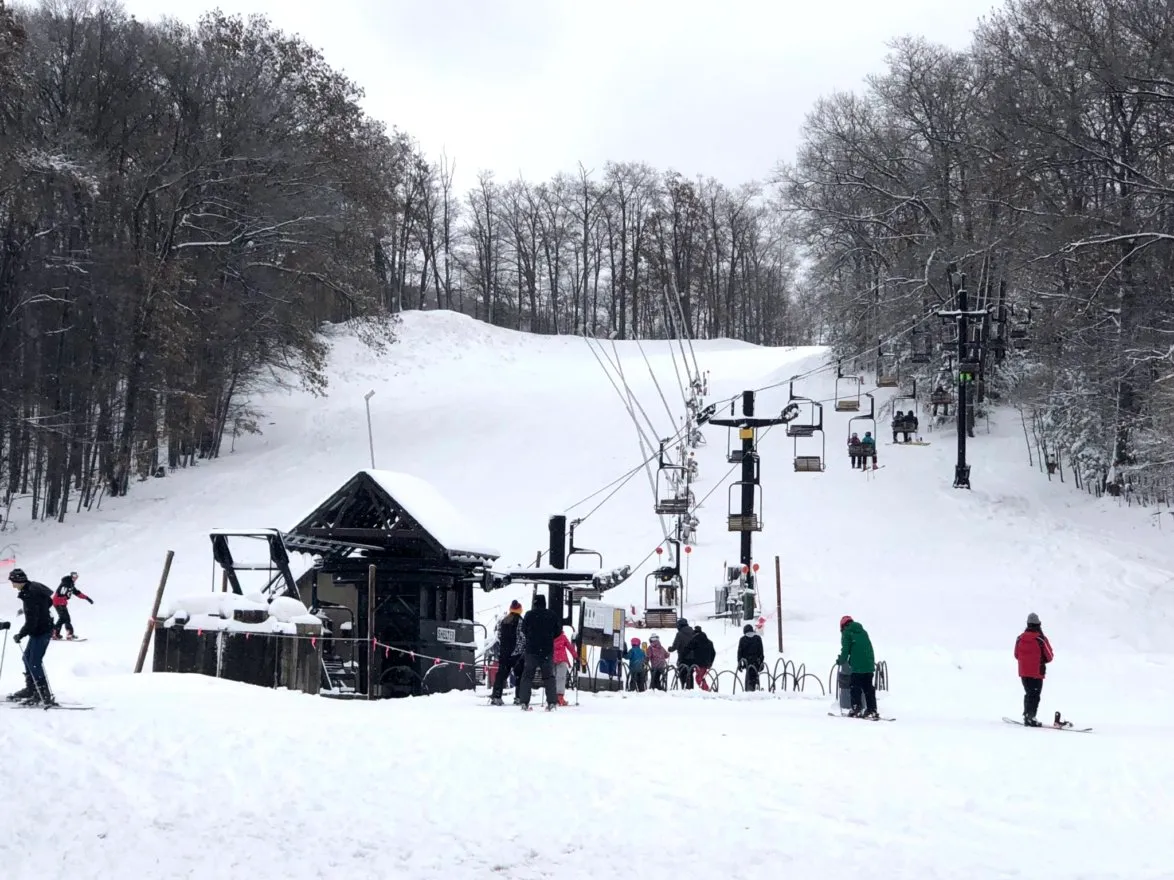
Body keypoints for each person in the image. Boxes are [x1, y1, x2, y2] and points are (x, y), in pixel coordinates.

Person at [8, 568, 55, 705]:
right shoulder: (33, 586)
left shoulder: (29, 594)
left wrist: (21, 634)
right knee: (27, 658)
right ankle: (32, 689)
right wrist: (40, 609)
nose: (12, 585)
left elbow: (31, 621)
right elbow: (49, 602)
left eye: (13, 582)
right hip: (40, 629)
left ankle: (43, 694)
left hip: (42, 630)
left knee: (34, 662)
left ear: (19, 581)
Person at [516, 593, 559, 711]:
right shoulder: (552, 615)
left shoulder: (529, 615)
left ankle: (524, 702)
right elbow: (558, 631)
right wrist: (548, 637)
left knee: (527, 676)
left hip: (531, 650)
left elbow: (523, 630)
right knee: (549, 677)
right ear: (545, 603)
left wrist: (532, 637)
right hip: (547, 650)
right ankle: (551, 703)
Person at [1014, 612, 1053, 727]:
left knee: (1029, 693)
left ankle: (1027, 715)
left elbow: (1016, 655)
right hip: (1036, 672)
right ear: (1038, 624)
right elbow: (1049, 656)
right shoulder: (1041, 639)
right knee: (1035, 695)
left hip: (1023, 672)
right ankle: (1031, 717)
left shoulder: (1019, 638)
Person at [836, 615, 877, 718]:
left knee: (855, 687)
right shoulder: (863, 632)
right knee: (868, 688)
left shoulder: (847, 632)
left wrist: (840, 660)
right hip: (869, 663)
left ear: (843, 626)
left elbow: (845, 650)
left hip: (858, 666)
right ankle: (872, 710)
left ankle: (856, 709)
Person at [489, 600, 525, 706]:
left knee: (501, 675)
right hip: (516, 654)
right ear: (520, 610)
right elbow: (522, 638)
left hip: (504, 653)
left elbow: (499, 636)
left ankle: (496, 696)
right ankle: (519, 697)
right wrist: (519, 651)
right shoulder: (520, 621)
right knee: (520, 675)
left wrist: (504, 649)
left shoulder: (503, 620)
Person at [52, 572, 93, 640]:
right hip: (58, 602)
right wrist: (64, 598)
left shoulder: (70, 584)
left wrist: (87, 598)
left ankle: (55, 633)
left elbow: (77, 593)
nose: (75, 578)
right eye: (74, 576)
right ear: (71, 576)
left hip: (60, 602)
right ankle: (69, 634)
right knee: (66, 618)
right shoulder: (66, 583)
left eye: (76, 577)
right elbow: (61, 593)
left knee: (63, 618)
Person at [552, 625, 577, 707]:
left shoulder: (549, 636)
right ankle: (560, 697)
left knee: (552, 678)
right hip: (561, 659)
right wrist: (575, 656)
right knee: (561, 678)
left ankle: (552, 697)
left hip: (551, 659)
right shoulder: (563, 637)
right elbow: (570, 647)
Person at [737, 623, 765, 692]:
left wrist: (739, 664)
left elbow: (740, 653)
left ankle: (749, 690)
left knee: (749, 677)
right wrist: (761, 661)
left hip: (747, 662)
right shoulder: (758, 638)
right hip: (756, 662)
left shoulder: (743, 639)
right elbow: (761, 652)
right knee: (755, 676)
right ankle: (756, 688)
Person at [668, 618, 696, 689]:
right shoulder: (693, 632)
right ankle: (690, 688)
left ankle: (684, 688)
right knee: (690, 673)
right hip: (693, 658)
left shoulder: (679, 634)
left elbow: (675, 646)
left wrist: (670, 649)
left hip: (683, 657)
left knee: (682, 673)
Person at [689, 625, 715, 691]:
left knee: (698, 678)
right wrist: (710, 662)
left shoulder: (695, 641)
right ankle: (706, 689)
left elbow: (688, 649)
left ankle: (706, 690)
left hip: (699, 663)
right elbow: (713, 653)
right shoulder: (709, 642)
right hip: (706, 663)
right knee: (701, 677)